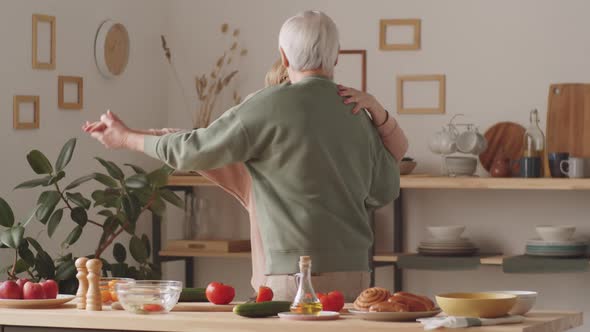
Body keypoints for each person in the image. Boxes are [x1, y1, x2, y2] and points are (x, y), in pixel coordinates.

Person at [84, 11, 406, 301]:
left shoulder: (266, 105)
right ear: (336, 56)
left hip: (290, 278)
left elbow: (190, 150)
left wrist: (126, 138)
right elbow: (385, 190)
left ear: (283, 55)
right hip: (354, 276)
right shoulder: (358, 112)